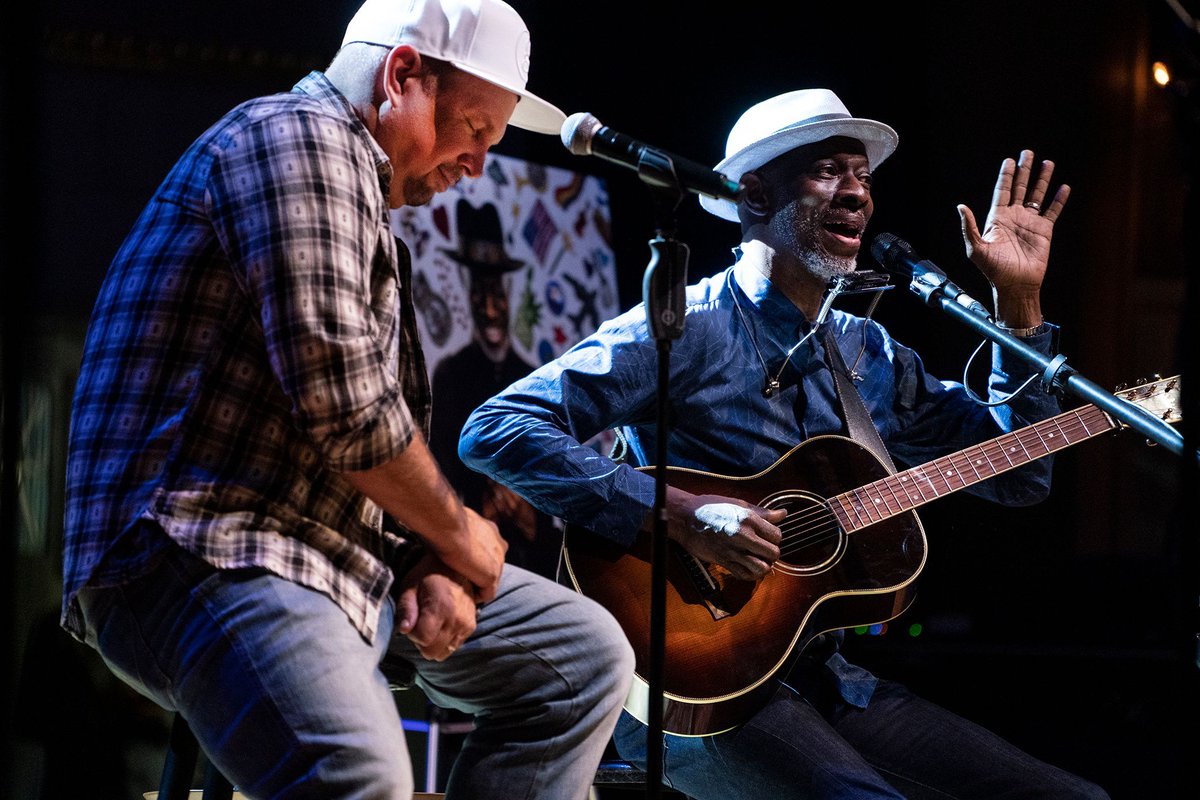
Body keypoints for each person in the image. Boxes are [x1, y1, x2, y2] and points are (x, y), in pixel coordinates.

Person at [459, 89, 1110, 798]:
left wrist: (1016, 309)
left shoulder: (870, 353)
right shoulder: (686, 326)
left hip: (826, 681)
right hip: (690, 687)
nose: (858, 194)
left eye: (864, 178)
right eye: (829, 170)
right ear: (756, 193)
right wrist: (682, 512)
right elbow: (496, 428)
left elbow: (1019, 474)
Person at [60, 0, 633, 797]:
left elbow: (346, 445)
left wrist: (418, 558)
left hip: (325, 551)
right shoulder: (297, 138)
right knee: (355, 773)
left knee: (582, 659)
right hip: (198, 545)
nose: (477, 165)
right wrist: (460, 538)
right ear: (403, 75)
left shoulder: (363, 198)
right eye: (473, 129)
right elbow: (345, 406)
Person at [429, 198, 562, 579]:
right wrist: (475, 510)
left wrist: (530, 519)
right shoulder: (450, 375)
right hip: (466, 561)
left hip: (536, 566)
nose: (489, 309)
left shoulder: (533, 376)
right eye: (478, 296)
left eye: (496, 296)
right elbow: (442, 477)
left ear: (509, 297)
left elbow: (556, 480)